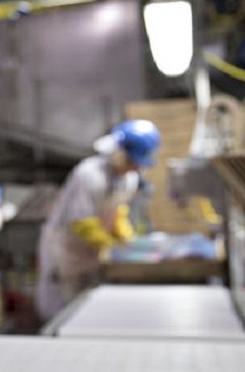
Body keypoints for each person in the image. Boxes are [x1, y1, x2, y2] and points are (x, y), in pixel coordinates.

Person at [36, 120, 161, 320]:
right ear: (118, 152)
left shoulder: (129, 179)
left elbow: (117, 211)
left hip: (92, 250)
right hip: (67, 249)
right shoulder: (88, 174)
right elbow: (81, 222)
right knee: (64, 308)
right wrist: (111, 246)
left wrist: (126, 239)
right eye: (130, 161)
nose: (133, 167)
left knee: (88, 306)